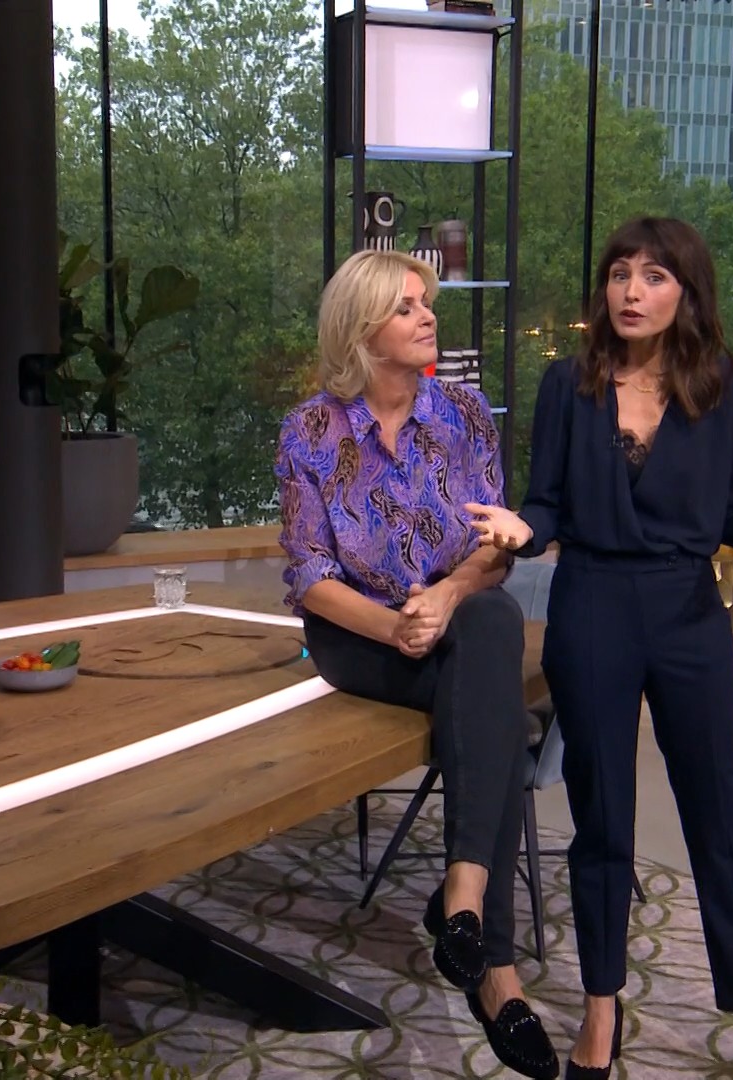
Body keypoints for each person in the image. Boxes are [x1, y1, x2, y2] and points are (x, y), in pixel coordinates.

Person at [467, 217, 733, 1080]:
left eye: (653, 276)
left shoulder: (719, 383)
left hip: (688, 614)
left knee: (720, 812)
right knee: (603, 817)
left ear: (685, 291)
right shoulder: (567, 384)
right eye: (620, 273)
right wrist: (519, 530)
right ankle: (601, 1010)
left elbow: (732, 514)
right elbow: (547, 503)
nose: (631, 291)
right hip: (594, 606)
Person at [276, 249, 560, 1080]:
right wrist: (396, 626)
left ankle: (471, 915)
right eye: (405, 307)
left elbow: (494, 548)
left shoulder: (464, 414)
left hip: (454, 618)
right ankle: (485, 954)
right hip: (356, 634)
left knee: (491, 614)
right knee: (495, 710)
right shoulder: (311, 430)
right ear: (361, 329)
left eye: (426, 302)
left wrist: (445, 597)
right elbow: (310, 574)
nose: (428, 315)